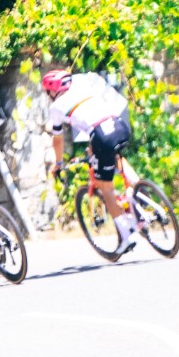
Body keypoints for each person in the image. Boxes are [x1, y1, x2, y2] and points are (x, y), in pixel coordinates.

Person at [42, 68, 138, 255]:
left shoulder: (56, 107)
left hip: (101, 135)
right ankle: (139, 192)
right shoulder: (83, 89)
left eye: (48, 92)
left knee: (106, 188)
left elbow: (58, 140)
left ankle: (127, 236)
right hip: (119, 125)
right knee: (116, 157)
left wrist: (59, 164)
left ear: (53, 90)